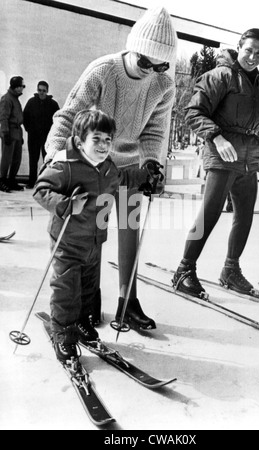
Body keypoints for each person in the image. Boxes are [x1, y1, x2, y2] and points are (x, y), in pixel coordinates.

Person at [45, 7, 177, 329]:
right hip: (95, 169)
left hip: (129, 169)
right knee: (93, 236)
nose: (150, 71)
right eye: (143, 61)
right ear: (132, 47)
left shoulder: (163, 85)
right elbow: (67, 117)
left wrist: (151, 165)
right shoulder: (102, 71)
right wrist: (56, 158)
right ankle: (90, 299)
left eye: (159, 65)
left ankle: (127, 301)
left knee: (129, 233)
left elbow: (155, 132)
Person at [173, 28, 259, 297]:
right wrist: (217, 138)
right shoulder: (220, 76)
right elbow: (193, 112)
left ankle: (230, 270)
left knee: (244, 216)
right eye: (249, 50)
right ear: (239, 47)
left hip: (248, 158)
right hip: (222, 155)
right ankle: (184, 269)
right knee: (210, 213)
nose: (253, 56)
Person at [33, 109, 148, 362]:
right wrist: (65, 205)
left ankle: (83, 323)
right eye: (96, 139)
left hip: (95, 241)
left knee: (87, 289)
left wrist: (146, 176)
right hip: (68, 242)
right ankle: (63, 334)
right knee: (66, 289)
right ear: (80, 139)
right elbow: (41, 190)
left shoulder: (107, 166)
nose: (103, 145)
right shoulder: (65, 164)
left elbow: (122, 179)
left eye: (108, 140)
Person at [23, 81, 60, 188]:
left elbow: (58, 120)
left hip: (47, 138)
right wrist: (29, 130)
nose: (41, 93)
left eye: (44, 91)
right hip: (33, 137)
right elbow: (25, 117)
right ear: (37, 90)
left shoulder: (53, 104)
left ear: (47, 91)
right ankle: (31, 182)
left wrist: (52, 134)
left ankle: (46, 183)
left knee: (47, 160)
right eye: (39, 90)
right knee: (33, 160)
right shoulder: (31, 102)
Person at [0, 76, 25, 192]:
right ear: (16, 87)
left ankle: (11, 180)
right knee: (6, 159)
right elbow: (3, 118)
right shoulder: (6, 99)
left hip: (17, 132)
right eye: (21, 86)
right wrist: (5, 134)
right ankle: (2, 180)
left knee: (16, 158)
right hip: (9, 131)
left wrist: (21, 136)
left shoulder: (15, 98)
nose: (22, 89)